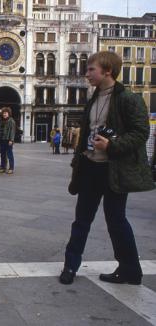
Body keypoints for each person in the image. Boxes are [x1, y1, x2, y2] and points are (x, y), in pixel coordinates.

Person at [59, 51, 154, 286]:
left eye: (91, 69)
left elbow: (142, 133)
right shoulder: (93, 99)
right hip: (91, 166)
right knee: (81, 220)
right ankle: (70, 266)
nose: (86, 73)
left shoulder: (128, 99)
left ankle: (131, 270)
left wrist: (112, 145)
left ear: (107, 71)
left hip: (114, 169)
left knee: (116, 221)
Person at [0, 107, 16, 174]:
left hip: (8, 140)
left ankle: (11, 168)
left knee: (9, 154)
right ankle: (3, 167)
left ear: (8, 114)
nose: (4, 114)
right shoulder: (1, 121)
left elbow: (12, 131)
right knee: (2, 154)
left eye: (5, 113)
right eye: (3, 113)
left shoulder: (11, 121)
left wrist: (11, 140)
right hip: (2, 140)